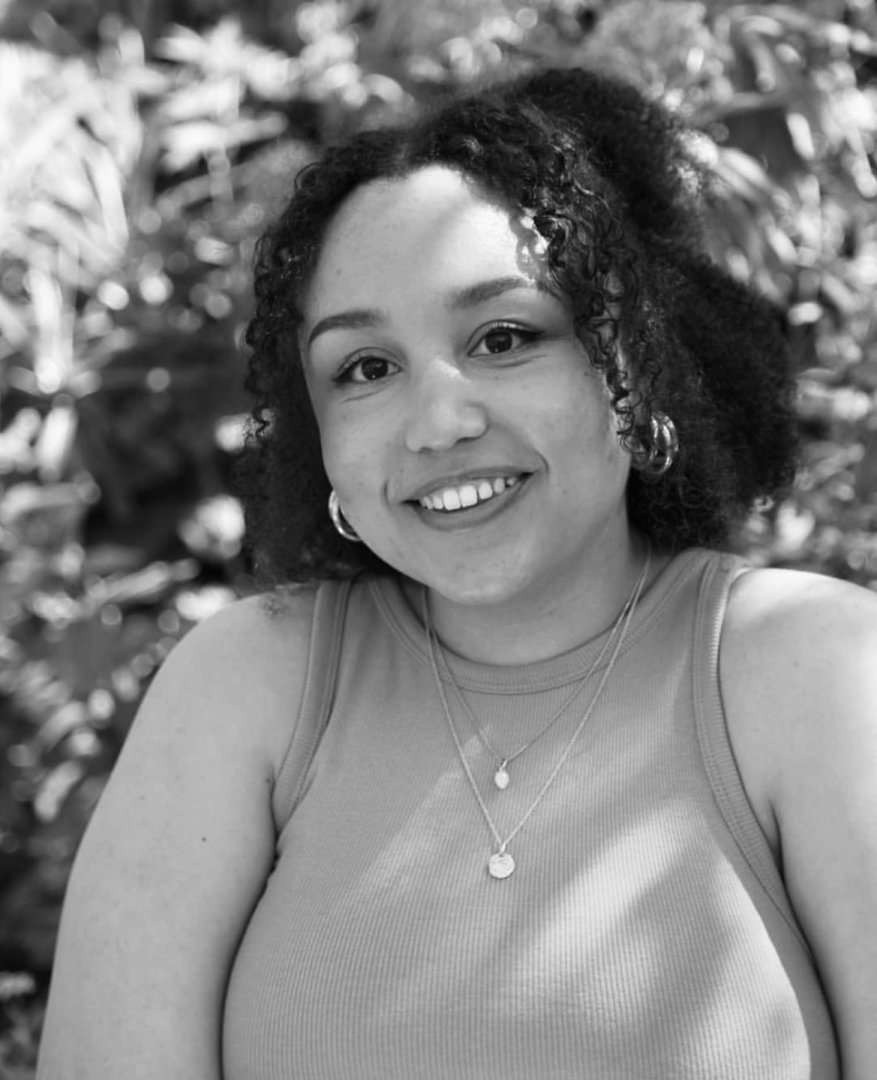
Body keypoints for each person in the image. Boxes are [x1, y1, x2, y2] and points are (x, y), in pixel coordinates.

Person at [37, 66, 877, 1079]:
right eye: (365, 369)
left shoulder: (811, 669)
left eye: (505, 337)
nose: (438, 422)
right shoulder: (242, 690)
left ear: (634, 369)